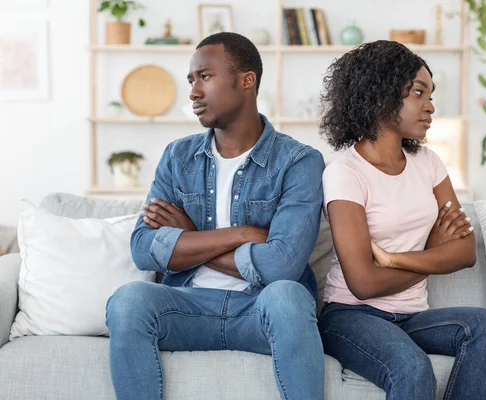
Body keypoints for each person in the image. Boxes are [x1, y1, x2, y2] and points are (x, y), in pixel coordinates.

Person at [105, 32, 325, 400]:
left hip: (260, 311)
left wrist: (189, 237)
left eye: (205, 77)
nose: (192, 91)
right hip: (188, 306)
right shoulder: (178, 157)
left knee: (288, 295)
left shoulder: (298, 161)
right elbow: (143, 247)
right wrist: (241, 234)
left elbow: (281, 266)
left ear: (246, 80)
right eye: (191, 80)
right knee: (128, 301)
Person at [317, 40, 486, 400]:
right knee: (412, 367)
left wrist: (396, 259)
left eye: (430, 94)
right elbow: (362, 282)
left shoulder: (429, 164)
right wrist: (434, 251)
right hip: (350, 317)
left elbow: (465, 250)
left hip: (412, 316)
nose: (431, 106)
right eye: (419, 93)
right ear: (380, 96)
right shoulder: (344, 172)